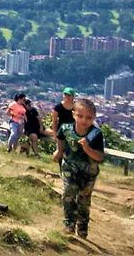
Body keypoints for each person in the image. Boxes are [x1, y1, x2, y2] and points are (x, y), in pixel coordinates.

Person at [53, 98, 105, 238]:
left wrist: (88, 149)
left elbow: (100, 156)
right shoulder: (66, 128)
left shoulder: (95, 134)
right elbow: (60, 137)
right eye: (80, 116)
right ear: (73, 114)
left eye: (88, 117)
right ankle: (69, 224)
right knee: (68, 194)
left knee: (83, 200)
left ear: (93, 118)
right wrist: (59, 151)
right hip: (70, 167)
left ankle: (82, 227)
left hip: (88, 173)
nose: (84, 120)